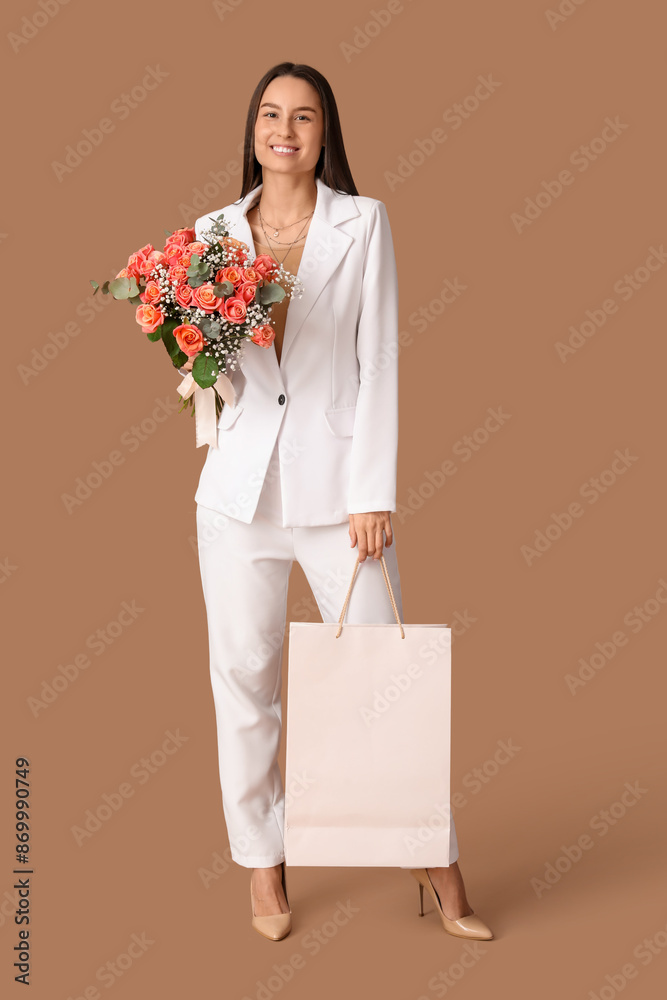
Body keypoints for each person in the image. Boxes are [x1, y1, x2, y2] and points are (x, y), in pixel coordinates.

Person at [182, 62, 494, 943]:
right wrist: (194, 361)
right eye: (271, 114)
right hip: (238, 495)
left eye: (304, 116)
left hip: (338, 495)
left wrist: (374, 492)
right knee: (243, 679)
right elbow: (213, 368)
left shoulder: (364, 224)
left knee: (381, 683)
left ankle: (432, 860)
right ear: (252, 128)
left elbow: (380, 360)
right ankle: (263, 865)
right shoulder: (209, 232)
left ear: (325, 133)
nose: (285, 129)